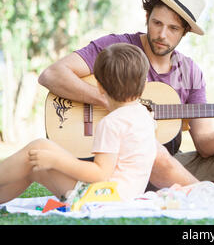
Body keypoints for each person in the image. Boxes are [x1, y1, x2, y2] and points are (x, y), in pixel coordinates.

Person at [38, 0, 214, 190]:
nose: (162, 34)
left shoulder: (190, 72)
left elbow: (205, 145)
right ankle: (206, 196)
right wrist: (109, 100)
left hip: (166, 170)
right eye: (157, 23)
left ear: (184, 32)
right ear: (147, 17)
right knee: (151, 147)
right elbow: (51, 74)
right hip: (113, 165)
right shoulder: (117, 48)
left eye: (173, 28)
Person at [0, 43, 157, 204]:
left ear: (100, 87)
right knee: (36, 166)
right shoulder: (145, 116)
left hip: (103, 199)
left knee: (36, 149)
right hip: (121, 196)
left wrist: (55, 161)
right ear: (145, 84)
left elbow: (100, 174)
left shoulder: (112, 123)